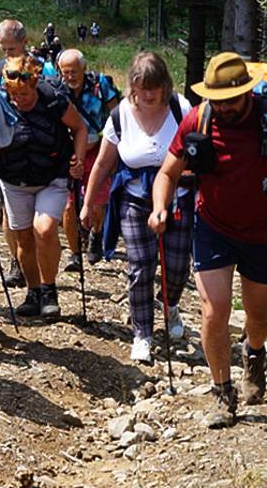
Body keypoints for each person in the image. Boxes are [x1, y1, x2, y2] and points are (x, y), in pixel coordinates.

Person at [149, 52, 267, 428]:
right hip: (213, 227)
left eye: (229, 101)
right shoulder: (200, 117)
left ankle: (253, 352)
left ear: (246, 93)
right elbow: (167, 173)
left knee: (259, 315)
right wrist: (160, 207)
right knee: (214, 310)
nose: (221, 107)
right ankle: (222, 393)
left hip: (263, 231)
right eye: (215, 99)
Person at [81, 52, 192, 363]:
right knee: (141, 267)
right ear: (132, 86)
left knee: (178, 265)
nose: (148, 95)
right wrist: (89, 204)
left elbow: (199, 150)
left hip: (178, 196)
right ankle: (142, 333)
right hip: (133, 198)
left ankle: (169, 306)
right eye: (142, 88)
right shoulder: (120, 116)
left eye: (154, 87)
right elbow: (103, 163)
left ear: (164, 86)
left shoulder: (180, 108)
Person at [0, 55, 87, 318]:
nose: (18, 99)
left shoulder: (52, 99)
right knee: (23, 236)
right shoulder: (0, 101)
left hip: (52, 176)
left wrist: (78, 161)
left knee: (45, 229)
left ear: (34, 85)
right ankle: (33, 292)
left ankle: (49, 290)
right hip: (14, 178)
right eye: (13, 94)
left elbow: (80, 128)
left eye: (23, 93)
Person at [57, 49, 119, 271]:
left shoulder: (100, 86)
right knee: (68, 205)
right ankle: (74, 253)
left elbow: (117, 116)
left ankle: (96, 232)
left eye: (74, 71)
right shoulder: (57, 90)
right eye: (65, 72)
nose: (70, 77)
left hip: (98, 150)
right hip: (68, 152)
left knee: (96, 202)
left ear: (84, 69)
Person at [0, 19, 29, 289]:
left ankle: (32, 261)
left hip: (38, 147)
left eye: (12, 49)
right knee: (8, 210)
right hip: (7, 149)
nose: (8, 55)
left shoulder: (40, 69)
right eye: (4, 50)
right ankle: (16, 262)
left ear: (24, 44)